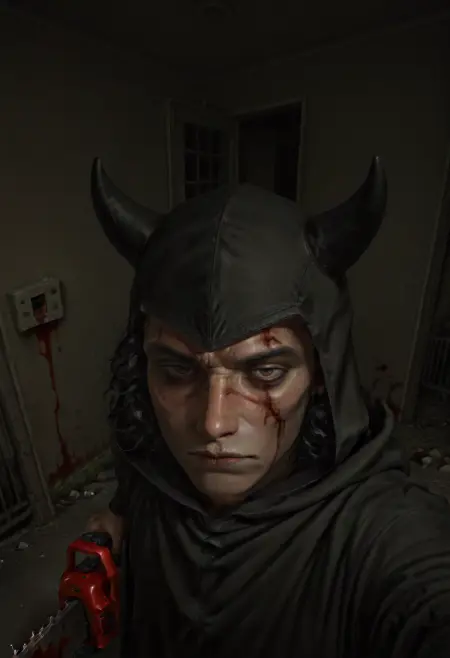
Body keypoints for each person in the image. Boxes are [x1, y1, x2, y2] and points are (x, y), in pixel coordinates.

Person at [87, 156, 450, 658]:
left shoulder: (384, 536)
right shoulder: (150, 459)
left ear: (321, 371)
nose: (213, 423)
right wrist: (118, 519)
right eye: (176, 370)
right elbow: (137, 482)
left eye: (265, 373)